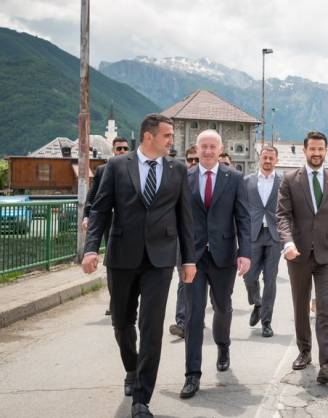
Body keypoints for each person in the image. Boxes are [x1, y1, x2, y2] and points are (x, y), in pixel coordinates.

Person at [81, 114, 196, 418]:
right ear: (148, 136)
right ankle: (131, 368)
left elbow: (185, 217)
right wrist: (90, 249)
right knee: (122, 322)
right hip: (122, 256)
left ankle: (142, 399)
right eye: (167, 135)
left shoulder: (177, 170)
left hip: (160, 260)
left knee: (151, 327)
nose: (172, 141)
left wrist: (188, 259)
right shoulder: (117, 167)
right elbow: (100, 210)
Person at [179, 130, 251, 399]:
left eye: (213, 146)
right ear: (196, 149)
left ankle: (223, 345)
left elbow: (243, 218)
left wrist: (245, 253)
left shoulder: (234, 178)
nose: (208, 151)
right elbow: (177, 217)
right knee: (193, 313)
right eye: (204, 146)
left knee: (222, 307)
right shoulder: (184, 178)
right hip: (193, 257)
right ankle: (192, 374)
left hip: (224, 256)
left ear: (221, 149)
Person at [277, 131, 328, 384]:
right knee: (300, 304)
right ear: (305, 150)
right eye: (313, 149)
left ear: (326, 151)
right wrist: (287, 242)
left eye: (321, 149)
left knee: (325, 307)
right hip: (298, 254)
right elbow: (283, 216)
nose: (317, 153)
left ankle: (326, 363)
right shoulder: (290, 180)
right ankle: (304, 351)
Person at [82, 136, 130, 316]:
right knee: (112, 263)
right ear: (113, 150)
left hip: (131, 225)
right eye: (119, 149)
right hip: (110, 224)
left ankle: (129, 300)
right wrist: (87, 216)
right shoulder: (103, 170)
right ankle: (115, 302)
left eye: (125, 148)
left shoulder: (135, 169)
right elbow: (92, 197)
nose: (122, 151)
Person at [243, 146, 283, 338]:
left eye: (271, 158)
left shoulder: (283, 182)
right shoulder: (247, 181)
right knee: (249, 276)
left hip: (275, 236)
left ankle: (266, 322)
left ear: (276, 160)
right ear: (260, 158)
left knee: (270, 280)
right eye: (265, 157)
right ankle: (257, 303)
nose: (267, 161)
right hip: (253, 234)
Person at [170, 145, 199, 339]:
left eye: (197, 159)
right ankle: (181, 322)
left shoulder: (210, 179)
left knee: (202, 282)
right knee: (183, 279)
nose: (193, 163)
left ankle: (197, 316)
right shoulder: (178, 179)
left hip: (204, 239)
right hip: (182, 239)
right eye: (190, 160)